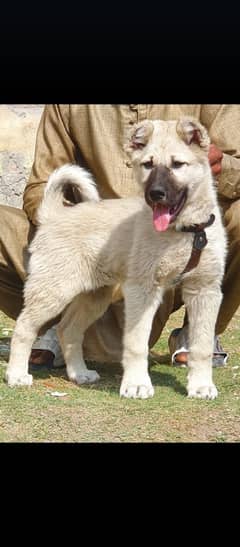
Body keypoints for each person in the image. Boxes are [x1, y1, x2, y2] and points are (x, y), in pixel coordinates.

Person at [1, 105, 240, 370]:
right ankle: (54, 322)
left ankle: (196, 334)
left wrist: (219, 166)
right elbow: (41, 186)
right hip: (91, 243)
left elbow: (235, 166)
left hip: (172, 254)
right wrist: (80, 232)